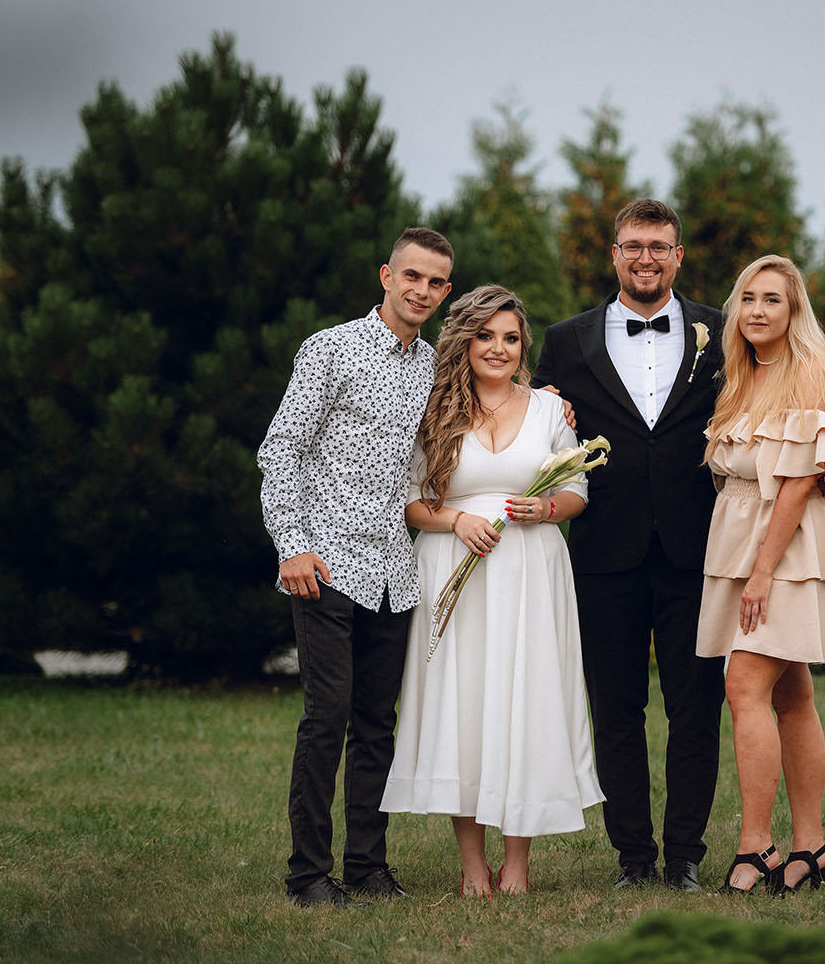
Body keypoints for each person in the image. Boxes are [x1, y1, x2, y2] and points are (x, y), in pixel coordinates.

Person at [382, 285, 604, 897]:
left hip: (532, 570)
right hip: (453, 567)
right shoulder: (434, 410)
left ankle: (519, 863)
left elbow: (578, 490)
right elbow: (411, 501)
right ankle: (473, 864)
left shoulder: (550, 411)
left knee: (526, 701)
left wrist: (547, 507)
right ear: (465, 340)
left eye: (510, 338)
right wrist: (456, 519)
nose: (499, 348)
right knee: (465, 705)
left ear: (523, 346)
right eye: (485, 336)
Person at [257, 227, 454, 908]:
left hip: (395, 569)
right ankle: (308, 874)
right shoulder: (330, 348)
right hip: (326, 562)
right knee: (327, 717)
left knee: (376, 723)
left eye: (435, 282)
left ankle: (368, 867)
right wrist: (291, 544)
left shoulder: (433, 367)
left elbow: (490, 400)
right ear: (386, 276)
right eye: (412, 276)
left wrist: (550, 399)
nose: (421, 290)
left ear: (445, 291)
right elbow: (280, 449)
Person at [532, 199, 725, 893]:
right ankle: (633, 859)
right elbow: (538, 425)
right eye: (633, 246)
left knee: (695, 710)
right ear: (614, 253)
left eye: (659, 247)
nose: (646, 258)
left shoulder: (722, 332)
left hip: (697, 551)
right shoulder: (565, 340)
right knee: (615, 711)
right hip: (603, 552)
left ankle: (685, 857)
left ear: (678, 256)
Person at [696, 254, 825, 895]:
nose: (758, 310)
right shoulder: (740, 376)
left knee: (743, 685)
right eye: (749, 298)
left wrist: (762, 572)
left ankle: (755, 845)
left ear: (795, 312)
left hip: (784, 547)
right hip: (741, 539)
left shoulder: (806, 372)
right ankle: (811, 847)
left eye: (773, 300)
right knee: (792, 696)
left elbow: (798, 484)